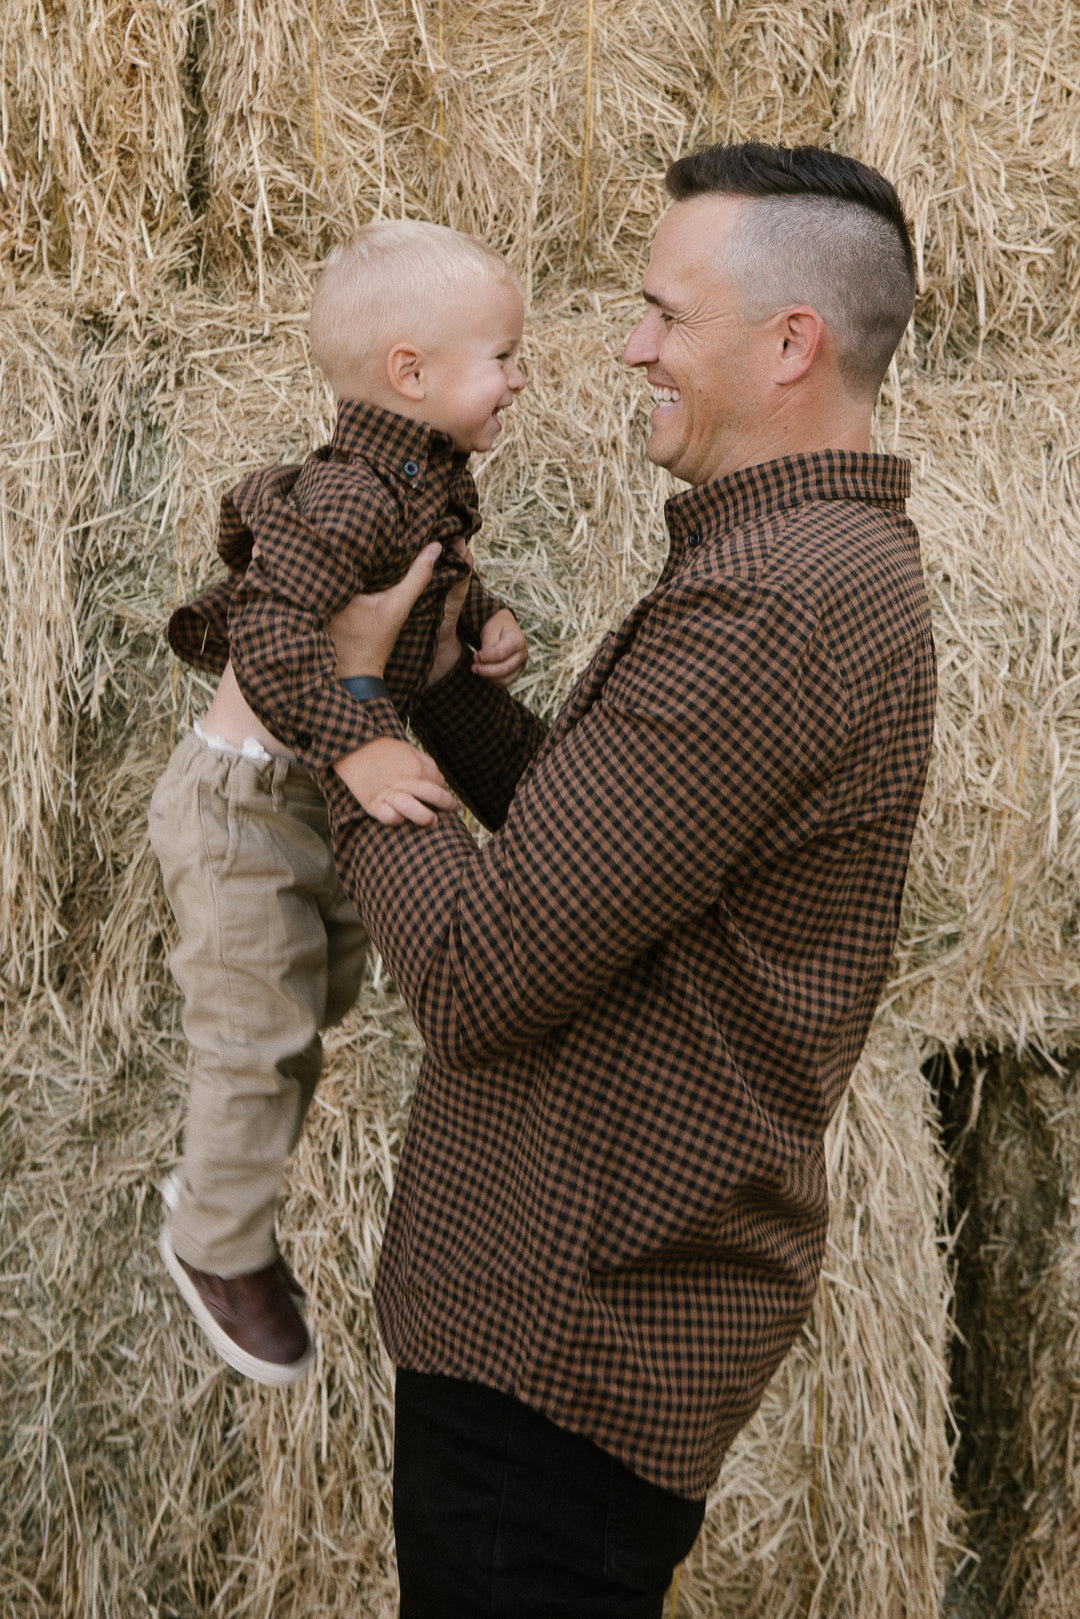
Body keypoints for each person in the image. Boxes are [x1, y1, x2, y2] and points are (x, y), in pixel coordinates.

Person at [285, 141, 933, 1615]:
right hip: (588, 1309)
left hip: (564, 1326)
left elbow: (479, 975)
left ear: (790, 343)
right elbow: (614, 855)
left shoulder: (771, 602)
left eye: (663, 313)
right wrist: (442, 696)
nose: (629, 343)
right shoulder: (811, 562)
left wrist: (348, 705)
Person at [149, 219, 528, 1387]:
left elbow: (404, 597)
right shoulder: (349, 491)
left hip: (299, 793)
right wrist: (362, 736)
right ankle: (213, 1241)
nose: (520, 379)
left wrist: (475, 621)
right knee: (258, 1038)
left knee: (322, 993)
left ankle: (230, 1157)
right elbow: (269, 626)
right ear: (410, 374)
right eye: (504, 357)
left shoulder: (419, 489)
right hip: (242, 803)